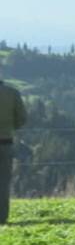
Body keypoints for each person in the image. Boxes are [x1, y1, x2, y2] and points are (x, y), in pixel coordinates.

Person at [0, 76, 27, 225]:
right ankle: (1, 218)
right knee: (3, 183)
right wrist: (10, 128)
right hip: (5, 142)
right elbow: (22, 118)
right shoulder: (12, 93)